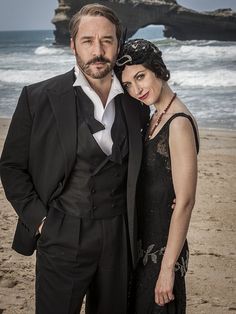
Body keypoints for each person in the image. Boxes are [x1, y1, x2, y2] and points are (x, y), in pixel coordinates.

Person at [0, 5, 149, 314]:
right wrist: (41, 221)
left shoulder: (137, 105)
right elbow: (11, 166)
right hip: (61, 232)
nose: (98, 50)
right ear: (73, 45)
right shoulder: (38, 97)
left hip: (119, 236)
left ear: (118, 44)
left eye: (107, 41)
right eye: (88, 41)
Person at [115, 39, 199, 313]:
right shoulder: (155, 116)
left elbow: (185, 202)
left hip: (162, 254)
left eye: (140, 77)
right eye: (128, 84)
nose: (136, 89)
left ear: (158, 70)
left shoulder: (179, 123)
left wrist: (167, 270)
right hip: (144, 246)